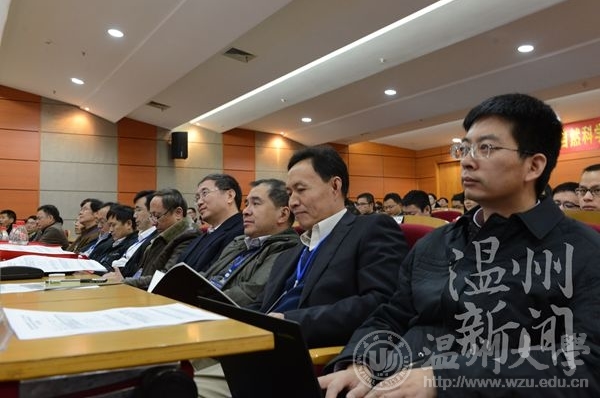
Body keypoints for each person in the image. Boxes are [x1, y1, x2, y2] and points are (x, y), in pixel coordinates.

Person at [320, 93, 600, 397]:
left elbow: (586, 365)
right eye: (465, 148)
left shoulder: (582, 252)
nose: (466, 160)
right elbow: (392, 315)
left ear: (533, 166)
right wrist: (360, 362)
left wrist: (443, 380)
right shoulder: (436, 242)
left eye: (486, 148)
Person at [257, 146, 408, 348]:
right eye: (289, 193)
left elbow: (381, 302)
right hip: (256, 344)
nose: (292, 202)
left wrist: (290, 322)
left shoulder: (371, 229)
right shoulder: (290, 253)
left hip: (309, 350)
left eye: (301, 190)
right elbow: (262, 306)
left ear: (335, 186)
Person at [201, 178, 300, 307]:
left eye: (256, 204)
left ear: (282, 215)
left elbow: (249, 295)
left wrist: (197, 299)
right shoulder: (238, 242)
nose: (245, 211)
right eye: (247, 204)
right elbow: (209, 276)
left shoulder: (287, 250)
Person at [104, 188, 196, 290]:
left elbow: (165, 278)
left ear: (178, 213)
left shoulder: (187, 237)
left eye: (157, 216)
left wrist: (124, 282)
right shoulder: (163, 234)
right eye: (151, 216)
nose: (153, 223)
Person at [170, 174, 244, 273]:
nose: (199, 202)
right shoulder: (200, 237)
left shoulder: (241, 232)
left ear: (229, 196)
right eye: (197, 198)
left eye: (205, 193)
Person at [113, 190, 158, 277]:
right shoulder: (138, 238)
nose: (134, 215)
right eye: (135, 211)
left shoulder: (154, 240)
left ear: (152, 212)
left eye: (138, 210)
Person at [90, 205, 138, 271]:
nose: (110, 230)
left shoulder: (134, 246)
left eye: (113, 225)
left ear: (128, 224)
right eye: (109, 225)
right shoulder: (109, 242)